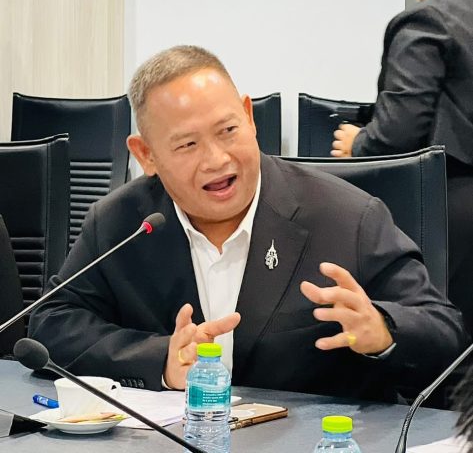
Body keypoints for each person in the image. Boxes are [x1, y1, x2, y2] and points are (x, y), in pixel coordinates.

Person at [29, 45, 466, 400]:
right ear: (147, 155)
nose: (217, 160)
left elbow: (444, 332)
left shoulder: (347, 217)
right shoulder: (122, 223)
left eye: (228, 131)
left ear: (249, 117)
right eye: (187, 145)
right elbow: (52, 323)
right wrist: (160, 359)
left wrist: (384, 330)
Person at [331, 0, 473, 333]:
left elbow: (399, 128)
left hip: (451, 207)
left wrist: (358, 143)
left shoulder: (427, 20)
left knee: (447, 332)